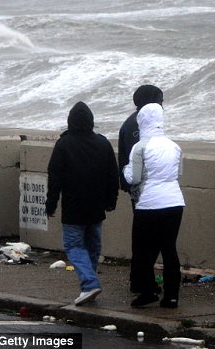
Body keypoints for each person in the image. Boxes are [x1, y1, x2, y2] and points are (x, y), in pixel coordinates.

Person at [45, 101, 119, 306]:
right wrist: (111, 201)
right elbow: (113, 176)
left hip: (74, 208)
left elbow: (55, 178)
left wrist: (50, 206)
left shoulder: (63, 145)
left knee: (74, 245)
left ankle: (89, 284)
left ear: (70, 122)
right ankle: (89, 286)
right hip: (96, 207)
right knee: (93, 247)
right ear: (91, 122)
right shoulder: (103, 143)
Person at [124, 103, 185, 308]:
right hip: (175, 202)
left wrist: (125, 168)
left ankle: (148, 291)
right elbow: (178, 174)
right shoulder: (174, 146)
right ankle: (172, 297)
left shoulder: (139, 147)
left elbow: (134, 178)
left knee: (143, 250)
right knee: (169, 249)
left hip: (149, 203)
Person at [117, 84, 164, 293]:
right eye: (159, 101)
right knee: (149, 239)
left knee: (143, 237)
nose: (162, 105)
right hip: (145, 192)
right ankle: (141, 281)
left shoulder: (131, 123)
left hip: (137, 190)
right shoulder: (138, 127)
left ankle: (139, 278)